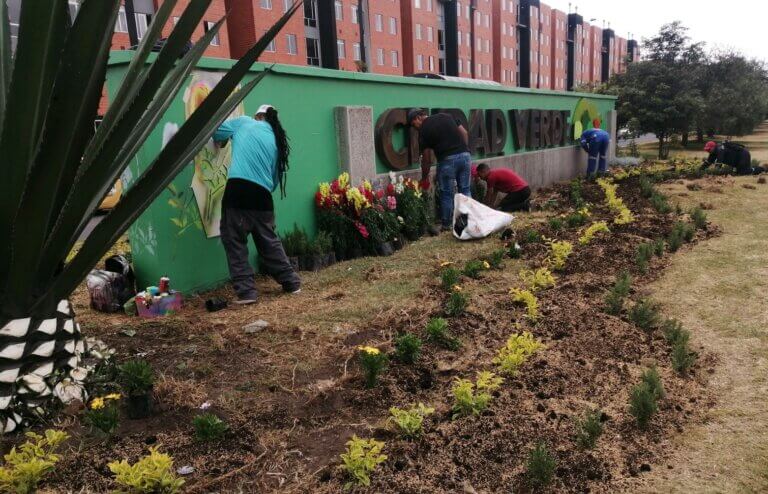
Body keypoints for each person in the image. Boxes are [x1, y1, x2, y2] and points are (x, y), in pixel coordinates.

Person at [213, 104, 301, 305]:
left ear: (258, 116)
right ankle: (291, 282)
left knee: (234, 240)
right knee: (268, 242)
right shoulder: (278, 141)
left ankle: (247, 293)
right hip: (263, 196)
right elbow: (275, 178)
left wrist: (224, 140)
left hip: (238, 191)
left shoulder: (245, 122)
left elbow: (217, 131)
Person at [408, 109, 471, 231]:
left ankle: (447, 225)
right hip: (465, 156)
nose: (414, 128)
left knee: (447, 194)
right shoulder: (447, 115)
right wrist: (465, 150)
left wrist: (424, 177)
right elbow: (464, 133)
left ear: (417, 118)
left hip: (447, 160)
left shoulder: (423, 130)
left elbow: (427, 159)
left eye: (413, 124)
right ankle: (467, 221)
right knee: (465, 189)